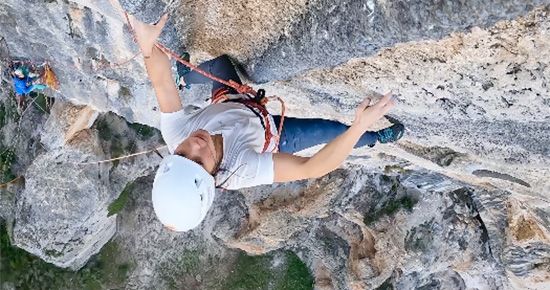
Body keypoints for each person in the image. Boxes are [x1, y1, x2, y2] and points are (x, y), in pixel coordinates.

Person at [129, 13, 404, 232]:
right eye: (199, 161)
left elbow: (161, 83)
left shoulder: (176, 133)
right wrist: (358, 126)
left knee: (218, 65)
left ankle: (186, 78)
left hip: (231, 101)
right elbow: (312, 167)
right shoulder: (243, 169)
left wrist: (148, 49)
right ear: (213, 176)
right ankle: (374, 138)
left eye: (182, 153)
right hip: (273, 132)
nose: (194, 145)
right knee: (334, 131)